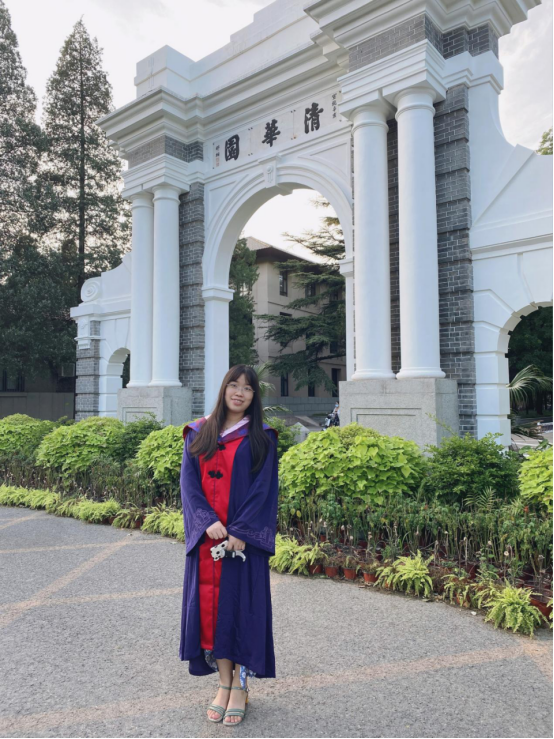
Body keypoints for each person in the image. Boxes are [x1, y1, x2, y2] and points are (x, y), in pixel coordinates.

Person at [179, 364, 279, 726]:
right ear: (223, 389)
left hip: (240, 544)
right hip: (209, 541)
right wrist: (206, 521)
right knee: (212, 615)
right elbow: (189, 484)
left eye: (248, 388)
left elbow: (264, 489)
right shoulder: (198, 432)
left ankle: (240, 687)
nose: (239, 392)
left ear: (254, 397)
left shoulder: (261, 437)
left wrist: (242, 531)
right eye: (234, 385)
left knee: (241, 611)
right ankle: (224, 683)